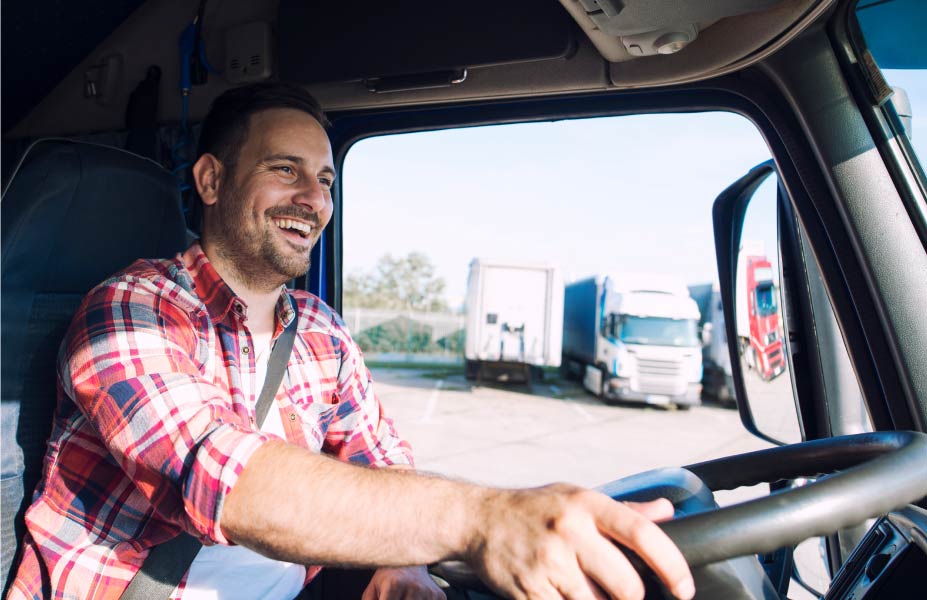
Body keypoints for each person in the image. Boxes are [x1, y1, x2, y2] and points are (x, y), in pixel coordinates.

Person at [8, 82, 695, 600]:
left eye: (326, 179)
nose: (314, 198)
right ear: (212, 179)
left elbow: (382, 457)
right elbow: (225, 480)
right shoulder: (132, 307)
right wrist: (484, 518)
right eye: (286, 169)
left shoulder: (321, 331)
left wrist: (400, 559)